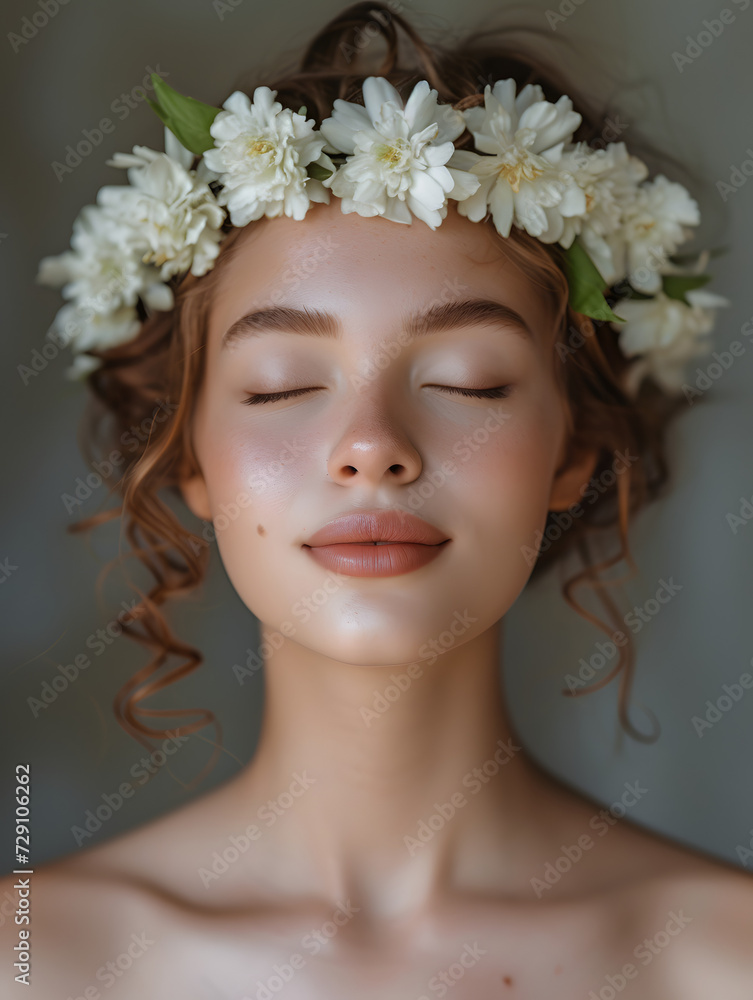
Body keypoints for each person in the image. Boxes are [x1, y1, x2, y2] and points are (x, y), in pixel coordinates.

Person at [5, 3, 752, 997]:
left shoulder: (722, 963)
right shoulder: (30, 961)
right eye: (279, 384)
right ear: (190, 455)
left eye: (471, 380)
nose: (371, 448)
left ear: (574, 448)